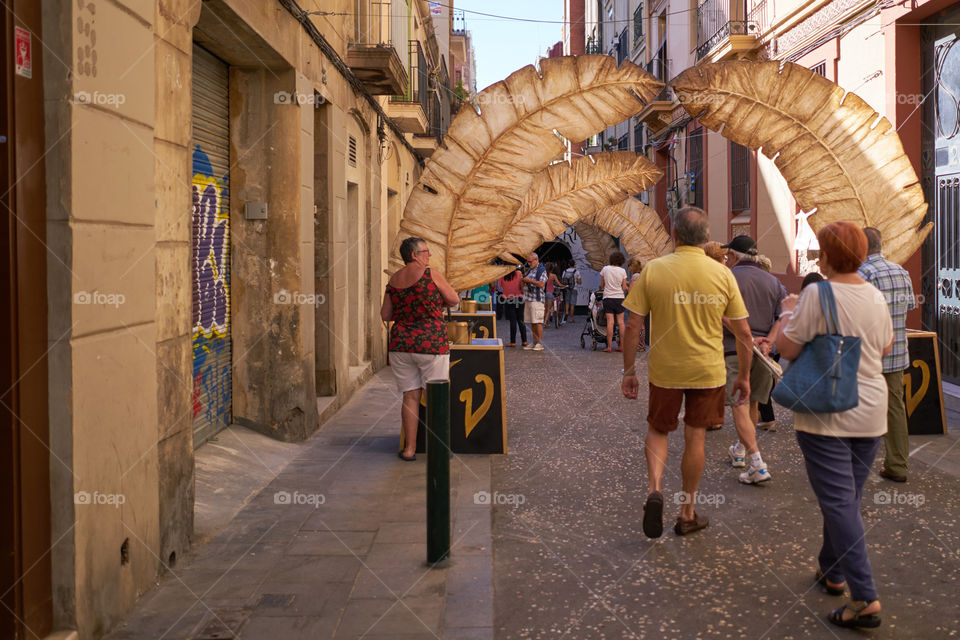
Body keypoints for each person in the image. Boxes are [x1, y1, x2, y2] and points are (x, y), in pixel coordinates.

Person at [777, 222, 892, 629]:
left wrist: (790, 312)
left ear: (826, 256)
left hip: (826, 414)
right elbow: (885, 345)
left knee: (840, 502)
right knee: (846, 499)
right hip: (871, 411)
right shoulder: (875, 296)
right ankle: (833, 569)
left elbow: (787, 347)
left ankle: (865, 598)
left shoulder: (816, 293)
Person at [621, 207, 753, 538]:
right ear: (707, 237)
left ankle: (654, 489)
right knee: (695, 437)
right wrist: (745, 376)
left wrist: (628, 370)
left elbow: (633, 324)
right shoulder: (723, 274)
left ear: (675, 236)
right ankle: (687, 512)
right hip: (708, 371)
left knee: (658, 429)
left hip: (665, 369)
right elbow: (744, 334)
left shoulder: (653, 271)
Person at [381, 237, 460, 461]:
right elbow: (453, 299)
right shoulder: (430, 274)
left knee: (410, 396)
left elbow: (385, 315)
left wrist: (408, 312)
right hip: (431, 343)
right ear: (414, 255)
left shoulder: (394, 280)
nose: (429, 256)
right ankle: (440, 448)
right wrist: (434, 305)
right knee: (436, 396)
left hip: (401, 345)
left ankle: (409, 449)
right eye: (426, 252)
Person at [719, 236, 785, 484]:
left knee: (739, 403)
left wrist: (745, 336)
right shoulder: (774, 281)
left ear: (734, 256)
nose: (726, 260)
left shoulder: (728, 278)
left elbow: (721, 314)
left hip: (735, 349)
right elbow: (782, 316)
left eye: (727, 256)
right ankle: (739, 450)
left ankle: (757, 462)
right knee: (755, 401)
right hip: (764, 353)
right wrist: (768, 340)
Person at [859, 227, 916, 483]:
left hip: (868, 356)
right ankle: (898, 465)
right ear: (880, 245)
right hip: (896, 354)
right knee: (895, 408)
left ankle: (856, 465)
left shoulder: (863, 273)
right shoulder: (901, 271)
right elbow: (910, 305)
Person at [599, 252, 629, 352]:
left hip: (608, 298)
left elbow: (602, 285)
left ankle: (609, 347)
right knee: (621, 323)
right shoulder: (623, 271)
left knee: (610, 322)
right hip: (619, 298)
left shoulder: (605, 269)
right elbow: (624, 287)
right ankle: (622, 346)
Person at [521, 252, 547, 351]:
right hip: (529, 299)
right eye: (527, 262)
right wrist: (523, 281)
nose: (528, 263)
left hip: (537, 300)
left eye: (530, 262)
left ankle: (540, 343)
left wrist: (529, 281)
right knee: (532, 321)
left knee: (538, 321)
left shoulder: (541, 270)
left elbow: (541, 284)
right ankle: (535, 342)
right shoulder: (530, 270)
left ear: (536, 260)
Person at [497, 268, 527, 347]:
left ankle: (513, 342)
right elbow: (521, 285)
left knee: (512, 321)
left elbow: (499, 287)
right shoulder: (519, 273)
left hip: (508, 299)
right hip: (519, 298)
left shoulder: (502, 276)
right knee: (521, 320)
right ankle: (524, 341)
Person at [626, 258, 646, 352]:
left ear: (632, 266)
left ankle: (639, 345)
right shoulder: (642, 275)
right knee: (641, 324)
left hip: (635, 303)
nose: (628, 268)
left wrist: (626, 287)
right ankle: (641, 344)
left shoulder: (635, 277)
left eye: (629, 266)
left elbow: (631, 291)